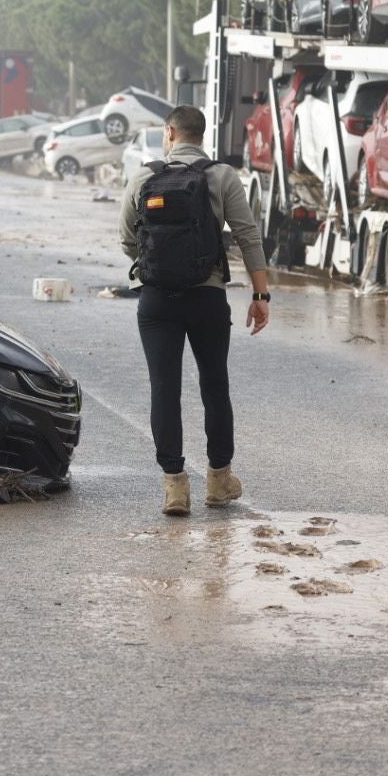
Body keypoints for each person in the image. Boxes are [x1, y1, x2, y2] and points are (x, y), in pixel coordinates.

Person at [118, 105, 270, 517]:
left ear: (169, 133)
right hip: (207, 297)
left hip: (156, 301)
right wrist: (261, 296)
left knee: (164, 388)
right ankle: (219, 482)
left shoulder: (145, 176)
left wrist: (158, 259)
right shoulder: (221, 176)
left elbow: (127, 239)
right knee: (214, 386)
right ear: (202, 136)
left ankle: (174, 488)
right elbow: (247, 237)